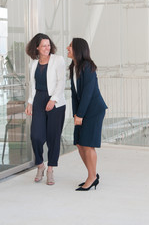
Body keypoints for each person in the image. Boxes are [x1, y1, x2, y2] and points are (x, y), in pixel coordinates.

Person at [67, 38, 108, 191]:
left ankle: (92, 178)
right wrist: (75, 114)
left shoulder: (88, 66)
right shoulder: (74, 67)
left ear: (78, 49)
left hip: (93, 111)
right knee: (79, 143)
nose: (67, 48)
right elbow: (74, 94)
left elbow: (88, 93)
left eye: (70, 46)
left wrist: (80, 115)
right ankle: (93, 175)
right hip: (82, 112)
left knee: (88, 145)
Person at [25, 33, 66, 185]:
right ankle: (40, 165)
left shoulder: (58, 60)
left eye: (48, 45)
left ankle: (50, 170)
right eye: (43, 45)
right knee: (36, 135)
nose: (47, 48)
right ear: (36, 47)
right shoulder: (33, 63)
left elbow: (61, 82)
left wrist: (53, 99)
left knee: (53, 137)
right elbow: (32, 85)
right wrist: (30, 103)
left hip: (55, 102)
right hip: (38, 100)